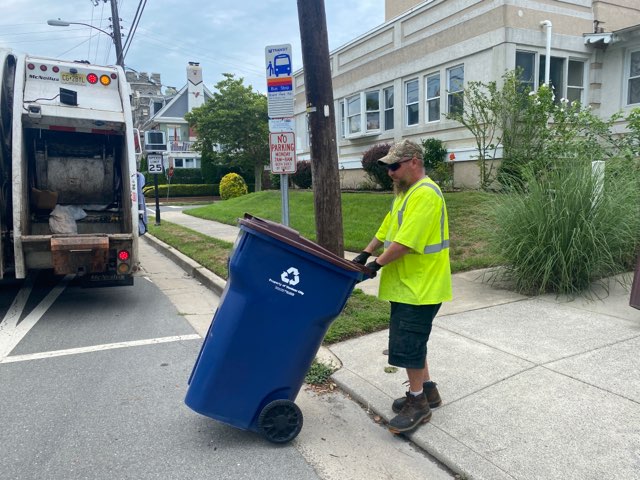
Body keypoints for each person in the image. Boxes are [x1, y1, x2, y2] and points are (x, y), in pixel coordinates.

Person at [352, 139, 452, 434]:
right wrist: (365, 253)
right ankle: (429, 391)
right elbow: (387, 228)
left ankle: (418, 403)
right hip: (409, 284)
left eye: (394, 166)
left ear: (414, 162)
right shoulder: (405, 194)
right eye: (387, 167)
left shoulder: (425, 195)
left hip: (421, 286)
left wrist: (376, 266)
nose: (390, 172)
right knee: (414, 342)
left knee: (408, 344)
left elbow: (405, 242)